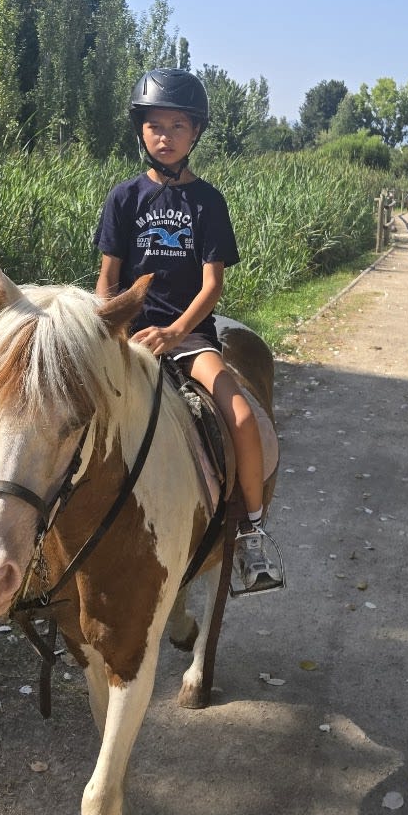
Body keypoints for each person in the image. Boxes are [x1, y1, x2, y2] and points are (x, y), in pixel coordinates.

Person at [94, 68, 283, 593]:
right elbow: (108, 279)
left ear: (195, 133)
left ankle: (252, 533)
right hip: (127, 338)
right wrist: (105, 332)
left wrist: (176, 333)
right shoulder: (125, 199)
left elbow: (212, 285)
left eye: (178, 125)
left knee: (242, 415)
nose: (165, 135)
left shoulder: (207, 203)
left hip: (189, 338)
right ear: (141, 132)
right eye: (155, 125)